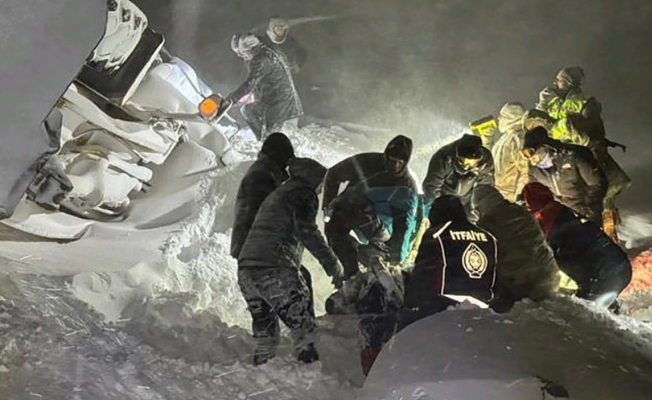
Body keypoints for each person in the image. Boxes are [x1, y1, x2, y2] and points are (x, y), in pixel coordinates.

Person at [358, 195, 498, 375]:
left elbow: (423, 275)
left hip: (442, 305)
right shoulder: (489, 237)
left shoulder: (438, 233)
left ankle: (379, 374)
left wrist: (408, 307)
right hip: (481, 308)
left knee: (377, 326)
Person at [237, 157, 344, 365]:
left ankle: (259, 372)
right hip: (274, 270)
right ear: (313, 179)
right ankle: (309, 373)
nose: (321, 190)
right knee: (304, 331)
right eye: (321, 184)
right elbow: (307, 231)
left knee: (266, 337)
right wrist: (333, 265)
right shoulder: (304, 193)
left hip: (247, 271)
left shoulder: (281, 192)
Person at [522, 182, 632, 309]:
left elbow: (545, 262)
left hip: (601, 279)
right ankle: (608, 306)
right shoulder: (565, 211)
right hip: (622, 268)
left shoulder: (545, 223)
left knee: (577, 313)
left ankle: (603, 308)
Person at [323, 135, 420, 273]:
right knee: (334, 228)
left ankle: (372, 261)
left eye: (400, 163)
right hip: (350, 210)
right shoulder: (367, 162)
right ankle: (350, 272)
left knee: (383, 248)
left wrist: (397, 259)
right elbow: (334, 173)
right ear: (386, 156)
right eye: (392, 160)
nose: (395, 166)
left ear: (405, 163)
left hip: (382, 227)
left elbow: (406, 225)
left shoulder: (407, 186)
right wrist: (328, 205)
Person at [471, 184, 560, 312]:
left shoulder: (487, 224)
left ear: (480, 206)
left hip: (525, 285)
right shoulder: (523, 212)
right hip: (550, 276)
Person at [521, 126, 607, 226]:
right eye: (527, 156)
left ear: (544, 147)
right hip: (559, 216)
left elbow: (597, 184)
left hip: (584, 211)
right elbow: (535, 193)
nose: (532, 160)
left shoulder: (573, 156)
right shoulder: (535, 170)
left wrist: (588, 210)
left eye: (533, 154)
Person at [226, 33, 303, 141]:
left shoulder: (260, 59)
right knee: (248, 109)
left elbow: (250, 83)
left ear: (247, 50)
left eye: (242, 52)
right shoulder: (268, 52)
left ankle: (266, 141)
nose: (241, 56)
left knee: (272, 135)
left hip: (281, 104)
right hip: (281, 98)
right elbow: (263, 80)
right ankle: (262, 139)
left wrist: (231, 99)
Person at [422, 134, 494, 218]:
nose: (466, 166)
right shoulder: (444, 158)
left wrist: (479, 212)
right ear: (457, 155)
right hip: (444, 198)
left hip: (468, 199)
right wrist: (435, 212)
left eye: (471, 163)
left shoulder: (485, 162)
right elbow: (432, 187)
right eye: (463, 161)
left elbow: (485, 189)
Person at [491, 102, 529, 202]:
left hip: (510, 198)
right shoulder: (505, 138)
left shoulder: (519, 140)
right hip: (498, 195)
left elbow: (526, 172)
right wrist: (487, 139)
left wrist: (519, 198)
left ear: (511, 117)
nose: (498, 118)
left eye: (501, 116)